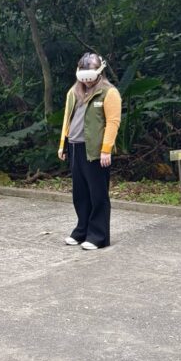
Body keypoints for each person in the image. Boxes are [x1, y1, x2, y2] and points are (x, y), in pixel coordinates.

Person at [58, 53, 122, 249]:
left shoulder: (109, 92)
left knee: (98, 194)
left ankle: (98, 236)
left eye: (90, 76)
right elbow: (67, 119)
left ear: (99, 72)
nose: (86, 81)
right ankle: (82, 231)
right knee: (80, 194)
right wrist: (63, 144)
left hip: (95, 150)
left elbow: (113, 122)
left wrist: (106, 149)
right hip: (75, 147)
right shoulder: (73, 92)